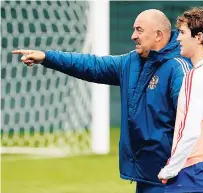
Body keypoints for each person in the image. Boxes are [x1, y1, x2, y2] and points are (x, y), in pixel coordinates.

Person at [12, 9, 192, 193]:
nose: (133, 36)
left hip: (172, 177)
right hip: (145, 174)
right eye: (133, 30)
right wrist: (47, 57)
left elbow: (191, 122)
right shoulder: (130, 63)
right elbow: (92, 65)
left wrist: (175, 167)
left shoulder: (178, 67)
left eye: (139, 30)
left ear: (158, 35)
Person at [158, 7, 203, 193]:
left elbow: (189, 130)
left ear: (198, 37)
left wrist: (170, 170)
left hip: (189, 176)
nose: (178, 39)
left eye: (182, 33)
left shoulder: (195, 75)